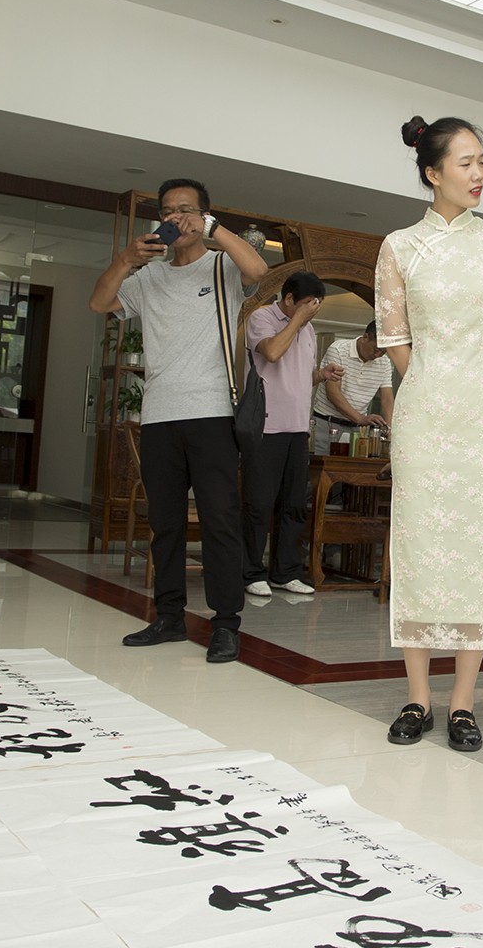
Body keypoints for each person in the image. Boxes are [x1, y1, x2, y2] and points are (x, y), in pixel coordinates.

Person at [377, 116, 483, 753]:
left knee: (478, 546)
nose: (478, 174)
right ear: (433, 172)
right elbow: (395, 341)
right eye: (465, 162)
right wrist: (432, 386)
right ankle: (418, 697)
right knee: (415, 541)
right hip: (423, 413)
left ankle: (463, 703)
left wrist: (469, 388)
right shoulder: (399, 246)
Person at [88, 177, 270, 664]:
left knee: (219, 523)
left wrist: (214, 230)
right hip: (161, 414)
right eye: (169, 211)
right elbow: (100, 303)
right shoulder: (147, 278)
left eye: (187, 210)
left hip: (212, 413)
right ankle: (168, 616)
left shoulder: (221, 267)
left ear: (204, 215)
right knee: (165, 523)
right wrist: (126, 260)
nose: (177, 218)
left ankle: (226, 624)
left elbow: (259, 269)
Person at [243, 270, 329, 597]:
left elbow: (297, 377)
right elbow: (273, 353)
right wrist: (298, 321)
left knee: (294, 504)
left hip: (297, 429)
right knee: (258, 503)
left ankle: (285, 571)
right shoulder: (261, 317)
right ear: (289, 298)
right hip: (265, 426)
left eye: (316, 306)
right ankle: (251, 571)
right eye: (306, 304)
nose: (311, 311)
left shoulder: (308, 330)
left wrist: (320, 375)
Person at [312, 324, 394, 451]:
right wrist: (360, 418)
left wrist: (389, 429)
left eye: (383, 352)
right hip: (327, 424)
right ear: (365, 337)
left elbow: (387, 399)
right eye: (375, 349)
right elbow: (333, 393)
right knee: (319, 468)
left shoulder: (385, 363)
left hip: (357, 430)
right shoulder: (338, 349)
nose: (378, 355)